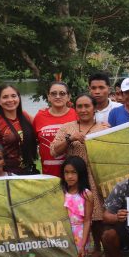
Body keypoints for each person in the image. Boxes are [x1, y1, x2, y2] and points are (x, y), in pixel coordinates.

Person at [49, 93, 110, 239]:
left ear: (94, 108)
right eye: (79, 106)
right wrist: (70, 139)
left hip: (95, 178)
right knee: (74, 215)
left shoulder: (104, 129)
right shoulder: (67, 128)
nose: (83, 110)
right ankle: (78, 248)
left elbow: (110, 154)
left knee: (97, 217)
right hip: (74, 180)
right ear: (75, 108)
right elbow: (54, 152)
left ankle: (97, 251)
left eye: (87, 106)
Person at [35, 156, 97, 257]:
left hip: (78, 235)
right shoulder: (60, 192)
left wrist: (82, 244)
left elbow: (87, 221)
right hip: (61, 232)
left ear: (81, 173)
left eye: (73, 172)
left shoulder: (86, 194)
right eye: (66, 172)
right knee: (37, 241)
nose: (69, 176)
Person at [0, 85, 38, 175]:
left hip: (28, 170)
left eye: (13, 96)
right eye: (5, 97)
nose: (10, 100)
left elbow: (40, 132)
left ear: (18, 98)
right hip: (7, 173)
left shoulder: (26, 117)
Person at [33, 81, 77, 177]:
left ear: (68, 97)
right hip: (48, 175)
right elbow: (33, 141)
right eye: (53, 94)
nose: (57, 96)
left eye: (62, 93)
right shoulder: (40, 116)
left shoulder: (76, 115)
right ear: (48, 96)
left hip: (73, 175)